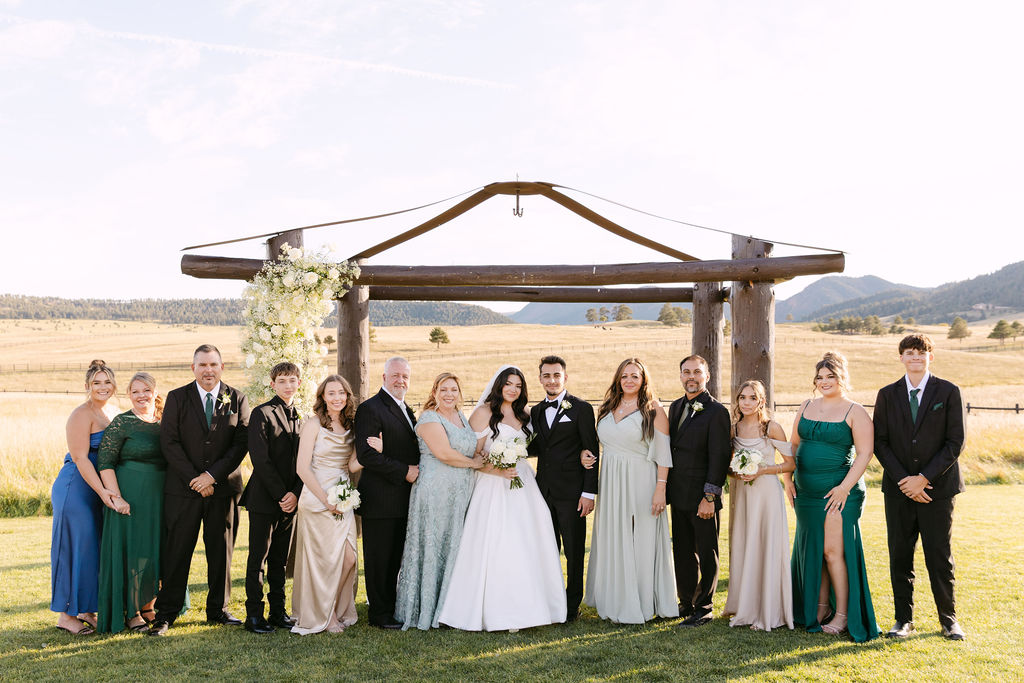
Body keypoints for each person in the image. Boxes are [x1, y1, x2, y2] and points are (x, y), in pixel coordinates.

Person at [438, 365, 567, 632]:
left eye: (518, 386)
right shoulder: (484, 413)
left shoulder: (526, 414)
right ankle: (494, 610)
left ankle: (535, 607)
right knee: (497, 542)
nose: (513, 389)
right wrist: (495, 469)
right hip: (492, 486)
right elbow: (472, 457)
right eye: (509, 384)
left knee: (530, 540)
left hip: (523, 484)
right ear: (499, 385)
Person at [148, 344, 251, 636]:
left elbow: (239, 444)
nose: (208, 370)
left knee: (221, 552)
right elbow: (169, 442)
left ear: (222, 367)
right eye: (202, 365)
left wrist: (211, 476)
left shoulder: (238, 398)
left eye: (213, 365)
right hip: (183, 490)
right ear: (192, 368)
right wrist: (196, 478)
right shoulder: (178, 398)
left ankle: (218, 609)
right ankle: (166, 613)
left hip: (223, 490)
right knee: (177, 552)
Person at [873, 334, 966, 641]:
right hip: (898, 490)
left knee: (939, 555)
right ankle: (903, 620)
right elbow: (880, 443)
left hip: (937, 490)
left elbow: (955, 442)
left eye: (921, 352)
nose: (915, 357)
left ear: (930, 357)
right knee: (900, 554)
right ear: (901, 357)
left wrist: (923, 478)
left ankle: (949, 620)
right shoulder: (887, 394)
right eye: (909, 353)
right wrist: (905, 481)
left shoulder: (949, 392)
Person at [789, 350, 879, 642]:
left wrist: (844, 487)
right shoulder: (806, 405)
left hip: (840, 494)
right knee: (814, 550)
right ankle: (819, 608)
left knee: (832, 552)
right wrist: (786, 478)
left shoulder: (855, 411)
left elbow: (865, 453)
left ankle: (842, 615)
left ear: (842, 378)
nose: (824, 381)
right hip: (805, 494)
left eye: (830, 376)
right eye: (820, 377)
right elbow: (793, 444)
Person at [584, 358, 677, 624]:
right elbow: (600, 444)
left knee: (641, 539)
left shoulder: (654, 411)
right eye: (624, 376)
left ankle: (642, 602)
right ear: (618, 379)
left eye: (635, 376)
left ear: (644, 380)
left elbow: (663, 455)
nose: (629, 381)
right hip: (611, 479)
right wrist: (584, 455)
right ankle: (615, 598)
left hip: (642, 478)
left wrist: (661, 489)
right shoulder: (606, 408)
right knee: (615, 535)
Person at [394, 372, 483, 630]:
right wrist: (474, 463)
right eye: (443, 389)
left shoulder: (462, 418)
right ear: (434, 392)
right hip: (434, 490)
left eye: (453, 390)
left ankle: (450, 608)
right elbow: (444, 453)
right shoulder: (429, 418)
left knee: (453, 545)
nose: (449, 394)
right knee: (433, 545)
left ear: (459, 393)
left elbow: (471, 446)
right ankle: (426, 608)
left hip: (460, 491)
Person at [51, 360, 121, 635]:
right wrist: (103, 491)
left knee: (93, 549)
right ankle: (66, 616)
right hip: (77, 488)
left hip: (97, 489)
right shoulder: (81, 414)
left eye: (107, 382)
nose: (102, 387)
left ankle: (87, 610)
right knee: (74, 548)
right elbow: (81, 458)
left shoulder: (113, 411)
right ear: (87, 387)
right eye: (97, 383)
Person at [291, 374, 365, 635]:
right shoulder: (313, 425)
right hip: (316, 497)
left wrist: (373, 451)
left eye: (342, 393)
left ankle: (331, 606)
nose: (337, 398)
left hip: (343, 497)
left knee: (348, 559)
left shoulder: (351, 425)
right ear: (323, 396)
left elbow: (352, 464)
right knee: (323, 561)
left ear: (348, 396)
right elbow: (302, 468)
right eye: (331, 393)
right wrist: (325, 500)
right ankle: (327, 615)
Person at [527, 355, 599, 623]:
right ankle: (548, 599)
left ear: (565, 378)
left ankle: (571, 606)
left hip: (573, 494)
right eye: (546, 375)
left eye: (556, 375)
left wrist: (588, 493)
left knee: (574, 550)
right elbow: (537, 447)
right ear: (540, 379)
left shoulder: (581, 408)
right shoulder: (535, 411)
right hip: (542, 492)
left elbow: (591, 451)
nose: (552, 380)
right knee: (546, 549)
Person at [353, 357, 421, 630]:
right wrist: (404, 470)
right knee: (380, 558)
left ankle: (391, 607)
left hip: (402, 498)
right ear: (383, 377)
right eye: (395, 375)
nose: (400, 380)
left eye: (405, 375)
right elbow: (366, 455)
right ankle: (379, 614)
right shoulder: (371, 408)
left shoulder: (406, 408)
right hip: (381, 498)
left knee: (394, 556)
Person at [96, 372, 165, 633]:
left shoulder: (163, 422)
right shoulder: (121, 423)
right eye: (135, 391)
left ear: (155, 392)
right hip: (129, 496)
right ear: (128, 394)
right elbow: (105, 462)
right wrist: (116, 498)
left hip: (158, 497)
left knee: (153, 549)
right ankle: (131, 611)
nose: (141, 396)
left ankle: (148, 606)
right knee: (133, 551)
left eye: (146, 390)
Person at [723, 379, 794, 632]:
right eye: (743, 397)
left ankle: (769, 609)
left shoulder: (771, 428)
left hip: (767, 494)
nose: (747, 402)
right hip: (742, 493)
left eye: (752, 398)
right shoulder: (733, 429)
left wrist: (763, 470)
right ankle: (744, 605)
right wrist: (737, 473)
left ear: (761, 401)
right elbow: (728, 467)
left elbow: (790, 464)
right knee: (744, 543)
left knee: (765, 545)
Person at [667, 354, 731, 627]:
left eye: (696, 372)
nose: (691, 377)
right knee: (682, 551)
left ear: (707, 376)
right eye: (686, 372)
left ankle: (704, 606)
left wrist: (709, 496)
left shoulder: (717, 411)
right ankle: (686, 602)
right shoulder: (675, 406)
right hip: (678, 493)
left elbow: (719, 456)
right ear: (680, 375)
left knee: (706, 551)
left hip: (702, 495)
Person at [240, 362, 303, 634]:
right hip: (265, 498)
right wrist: (281, 494)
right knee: (259, 557)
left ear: (298, 383)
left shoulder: (300, 418)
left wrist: (296, 494)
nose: (288, 385)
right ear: (273, 384)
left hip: (292, 500)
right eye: (282, 380)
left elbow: (305, 461)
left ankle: (279, 611)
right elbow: (260, 459)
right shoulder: (262, 413)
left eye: (292, 380)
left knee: (280, 559)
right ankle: (254, 614)